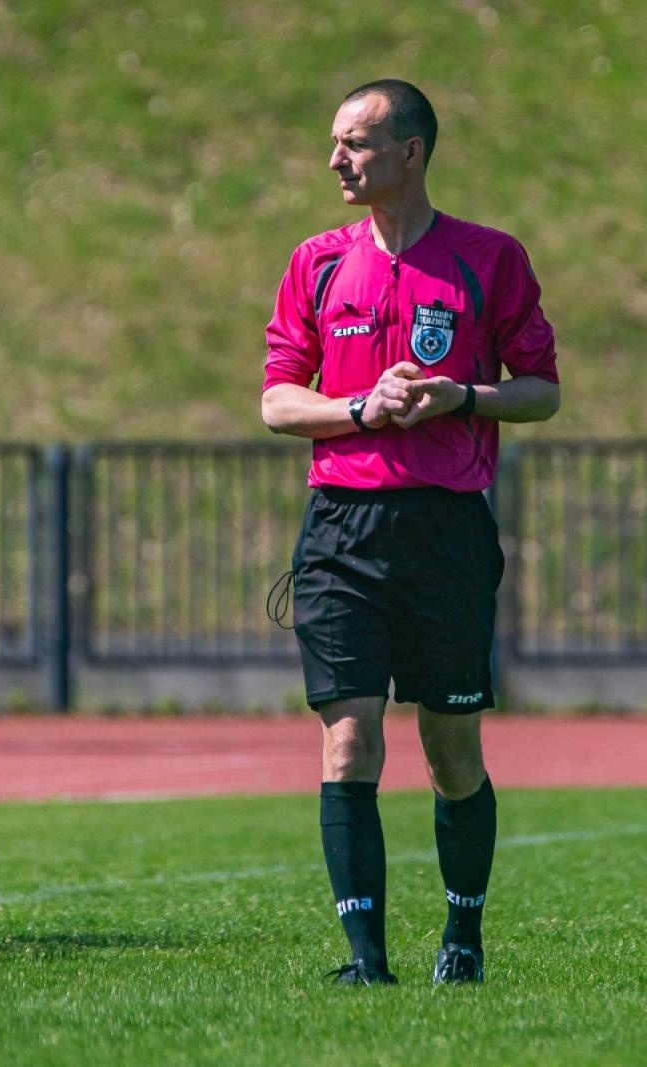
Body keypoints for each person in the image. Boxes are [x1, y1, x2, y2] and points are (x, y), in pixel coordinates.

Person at [260, 80, 560, 986]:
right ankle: (365, 962)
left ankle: (462, 940)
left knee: (451, 748)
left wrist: (462, 396)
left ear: (411, 153)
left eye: (355, 142)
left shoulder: (489, 258)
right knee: (348, 737)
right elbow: (277, 399)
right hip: (342, 529)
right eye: (336, 141)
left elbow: (542, 389)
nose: (336, 159)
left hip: (446, 532)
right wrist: (362, 406)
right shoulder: (316, 261)